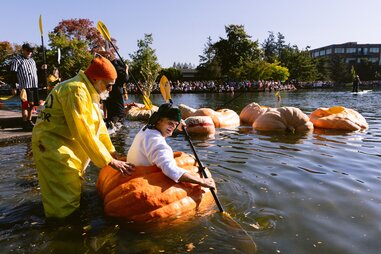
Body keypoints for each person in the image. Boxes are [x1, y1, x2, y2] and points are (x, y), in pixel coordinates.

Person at [32, 55, 134, 218]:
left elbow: (98, 127)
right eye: (108, 85)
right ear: (96, 78)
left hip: (64, 145)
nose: (110, 90)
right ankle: (63, 234)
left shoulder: (88, 90)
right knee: (63, 201)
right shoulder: (76, 90)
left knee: (71, 190)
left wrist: (111, 152)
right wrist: (108, 161)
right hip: (53, 147)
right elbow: (83, 130)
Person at [127, 103, 216, 189]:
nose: (172, 127)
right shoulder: (159, 144)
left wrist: (177, 123)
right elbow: (171, 171)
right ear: (159, 120)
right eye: (170, 123)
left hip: (129, 175)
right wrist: (201, 181)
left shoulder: (146, 129)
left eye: (175, 124)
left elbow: (167, 123)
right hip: (143, 182)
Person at [10, 43, 45, 131]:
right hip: (24, 86)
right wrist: (13, 86)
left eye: (31, 51)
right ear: (23, 50)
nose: (30, 52)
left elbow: (35, 73)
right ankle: (24, 122)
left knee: (32, 105)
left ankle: (29, 120)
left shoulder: (32, 60)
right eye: (28, 50)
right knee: (25, 105)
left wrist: (42, 68)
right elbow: (12, 74)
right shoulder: (17, 60)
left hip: (34, 85)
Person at [95, 49, 129, 129]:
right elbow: (125, 78)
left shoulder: (105, 81)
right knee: (118, 117)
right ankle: (113, 124)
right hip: (118, 109)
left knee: (111, 113)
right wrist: (126, 69)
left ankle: (109, 122)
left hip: (108, 97)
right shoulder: (116, 66)